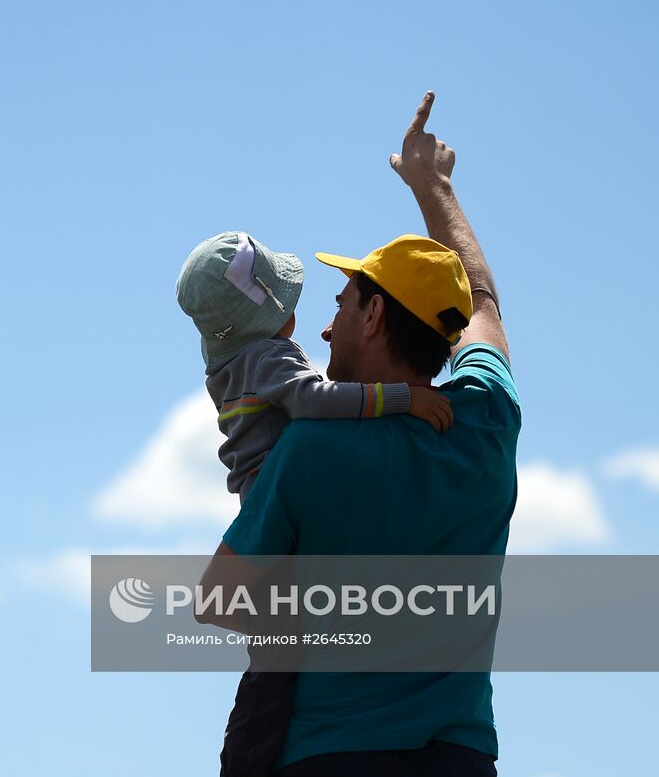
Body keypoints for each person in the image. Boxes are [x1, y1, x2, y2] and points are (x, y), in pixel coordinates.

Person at [199, 91, 519, 777]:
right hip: (461, 759)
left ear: (374, 318)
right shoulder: (488, 419)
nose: (323, 326)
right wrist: (437, 191)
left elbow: (220, 598)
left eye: (342, 304)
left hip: (329, 757)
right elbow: (483, 302)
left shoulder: (308, 449)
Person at [175, 230, 456, 503]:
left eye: (340, 308)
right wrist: (404, 398)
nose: (325, 331)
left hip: (256, 491)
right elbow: (313, 399)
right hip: (285, 487)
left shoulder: (228, 370)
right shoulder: (270, 358)